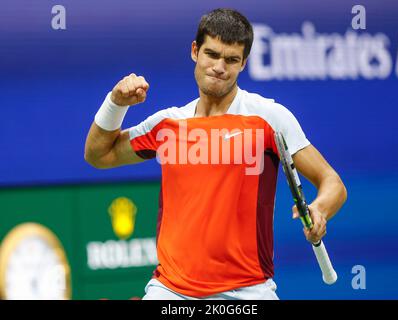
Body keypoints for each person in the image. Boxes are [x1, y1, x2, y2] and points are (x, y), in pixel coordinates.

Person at [84, 8, 347, 300]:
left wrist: (320, 210)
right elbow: (98, 156)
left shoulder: (269, 118)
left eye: (231, 60)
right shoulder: (168, 124)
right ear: (195, 51)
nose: (220, 67)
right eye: (212, 54)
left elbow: (331, 182)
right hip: (171, 291)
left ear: (243, 63)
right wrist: (116, 103)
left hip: (248, 292)